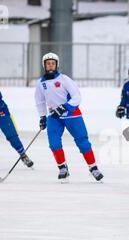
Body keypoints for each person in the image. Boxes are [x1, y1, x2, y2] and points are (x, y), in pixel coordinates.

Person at [34, 52, 103, 182]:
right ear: (44, 65)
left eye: (53, 64)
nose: (50, 66)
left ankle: (93, 168)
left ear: (56, 65)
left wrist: (64, 107)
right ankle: (62, 168)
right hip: (54, 117)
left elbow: (77, 97)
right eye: (48, 64)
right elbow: (40, 101)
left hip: (72, 115)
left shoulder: (64, 79)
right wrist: (42, 117)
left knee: (82, 142)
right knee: (54, 144)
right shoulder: (40, 83)